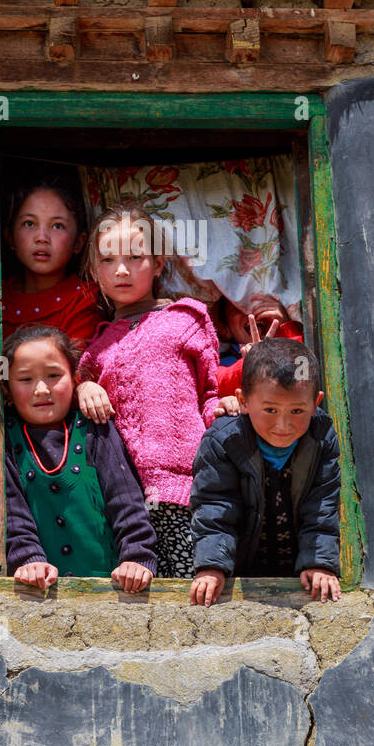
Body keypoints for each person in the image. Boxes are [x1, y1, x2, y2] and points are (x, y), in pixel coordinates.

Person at [77, 203, 229, 578]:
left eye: (135, 257)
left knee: (188, 596)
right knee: (131, 596)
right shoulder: (96, 349)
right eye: (108, 260)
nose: (122, 269)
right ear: (95, 271)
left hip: (186, 491)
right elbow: (79, 397)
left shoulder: (186, 319)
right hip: (122, 502)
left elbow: (209, 393)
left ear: (159, 263)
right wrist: (84, 388)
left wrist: (226, 407)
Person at [189, 336, 342, 606]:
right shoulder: (225, 442)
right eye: (270, 409)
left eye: (297, 410)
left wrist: (319, 563)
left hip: (299, 572)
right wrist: (212, 566)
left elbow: (322, 507)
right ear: (243, 401)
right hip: (241, 573)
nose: (283, 424)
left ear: (316, 403)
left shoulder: (320, 439)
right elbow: (215, 507)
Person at [2, 324, 157, 591]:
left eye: (53, 375)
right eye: (25, 379)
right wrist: (27, 560)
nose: (41, 389)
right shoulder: (2, 439)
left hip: (110, 589)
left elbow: (126, 499)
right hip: (38, 591)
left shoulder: (94, 428)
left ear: (75, 378)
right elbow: (11, 511)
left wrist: (136, 557)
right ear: (7, 389)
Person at [1, 174, 104, 347]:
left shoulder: (85, 299)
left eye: (57, 226)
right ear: (10, 237)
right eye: (29, 223)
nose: (42, 238)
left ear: (79, 242)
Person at [213, 291, 304, 398]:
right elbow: (218, 385)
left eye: (260, 304)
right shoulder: (223, 361)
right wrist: (250, 364)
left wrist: (285, 327)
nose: (252, 312)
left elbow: (304, 375)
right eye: (238, 307)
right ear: (224, 330)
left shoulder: (289, 342)